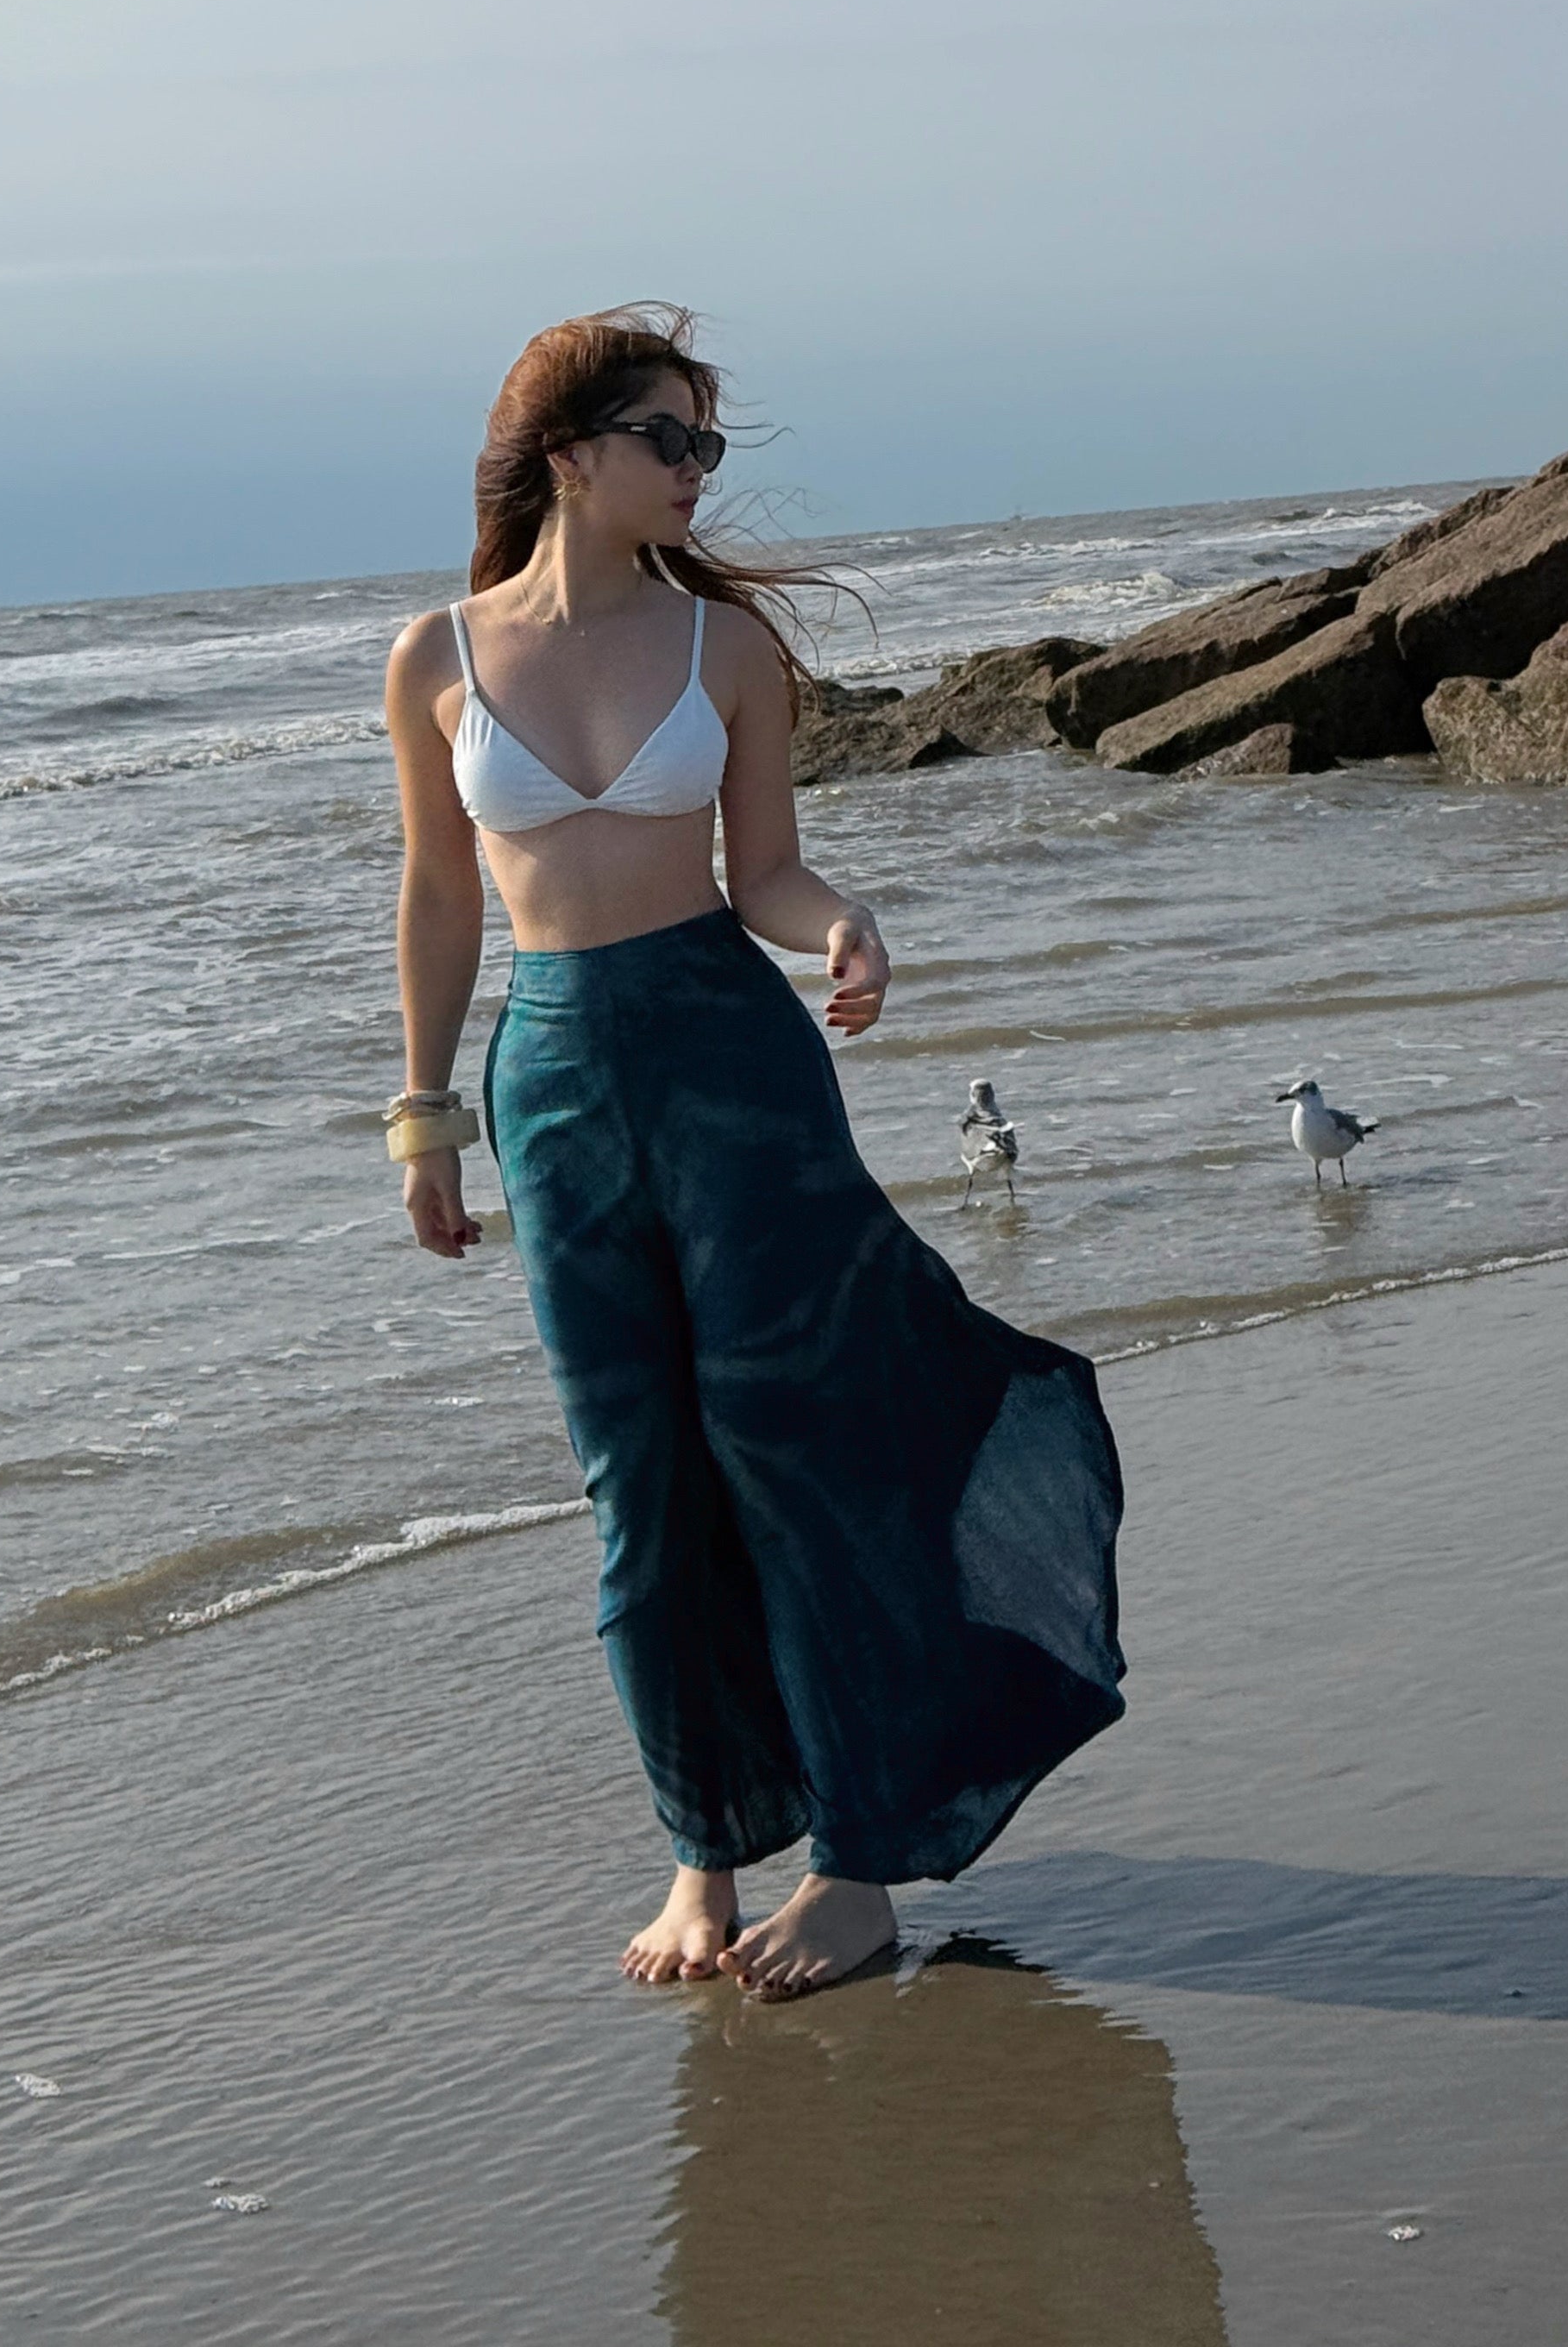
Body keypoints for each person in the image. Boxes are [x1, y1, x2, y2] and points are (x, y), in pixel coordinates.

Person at [383, 305, 1126, 1999]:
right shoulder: (437, 655)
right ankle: (702, 1850)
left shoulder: (722, 652)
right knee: (635, 1491)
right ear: (569, 453)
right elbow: (438, 897)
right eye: (672, 439)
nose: (698, 472)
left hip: (734, 1065)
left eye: (710, 444)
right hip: (554, 1082)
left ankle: (859, 1864)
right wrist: (423, 1110)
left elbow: (765, 869)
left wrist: (844, 919)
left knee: (802, 1452)